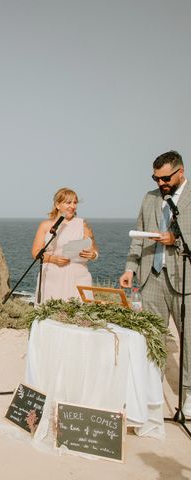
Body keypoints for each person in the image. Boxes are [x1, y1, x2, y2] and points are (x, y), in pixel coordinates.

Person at [119, 150, 191, 414]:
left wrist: (176, 241)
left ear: (180, 172)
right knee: (152, 340)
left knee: (190, 341)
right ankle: (150, 396)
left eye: (165, 178)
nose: (160, 183)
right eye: (156, 178)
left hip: (186, 281)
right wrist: (130, 268)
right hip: (151, 279)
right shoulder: (149, 199)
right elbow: (138, 237)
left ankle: (189, 395)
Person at [31, 187, 98, 304]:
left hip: (78, 277)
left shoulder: (82, 224)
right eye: (68, 202)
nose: (73, 206)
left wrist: (93, 255)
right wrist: (53, 259)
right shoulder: (46, 226)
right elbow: (36, 253)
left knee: (79, 315)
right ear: (57, 205)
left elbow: (94, 249)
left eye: (75, 203)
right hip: (52, 277)